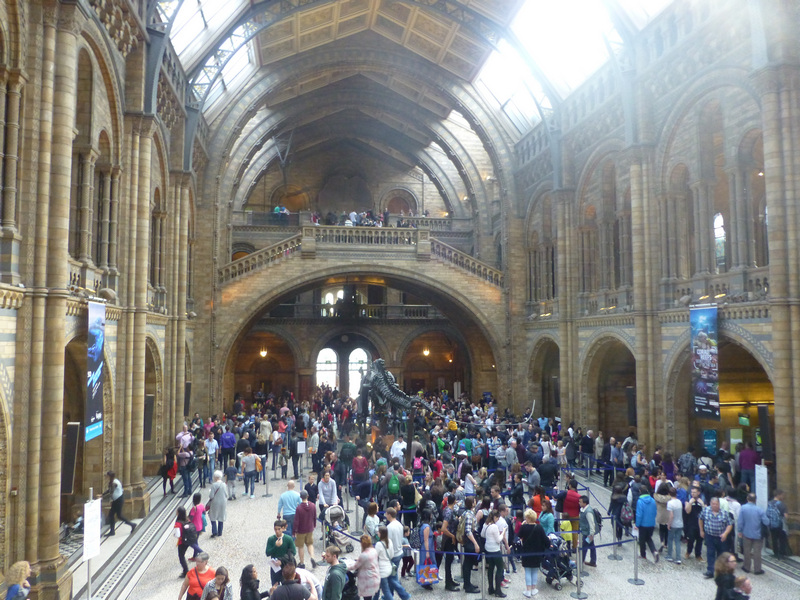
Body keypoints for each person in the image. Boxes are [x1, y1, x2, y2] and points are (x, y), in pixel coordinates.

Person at [700, 497, 734, 578]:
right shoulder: (705, 511)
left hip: (721, 537)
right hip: (709, 536)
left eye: (716, 504)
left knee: (721, 555)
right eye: (713, 504)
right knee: (710, 553)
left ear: (719, 504)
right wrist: (701, 530)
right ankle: (710, 571)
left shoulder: (724, 513)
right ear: (710, 504)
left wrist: (725, 534)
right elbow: (700, 519)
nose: (714, 505)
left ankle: (720, 572)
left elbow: (730, 524)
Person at [518, 509, 548, 598]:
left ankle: (528, 590)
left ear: (528, 518)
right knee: (535, 570)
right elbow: (545, 540)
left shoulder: (524, 527)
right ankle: (533, 589)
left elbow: (518, 536)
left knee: (527, 571)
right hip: (537, 553)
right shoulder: (539, 527)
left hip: (526, 552)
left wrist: (522, 525)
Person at [738, 492, 768, 574]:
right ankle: (757, 569)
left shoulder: (743, 508)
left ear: (747, 499)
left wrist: (740, 531)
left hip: (746, 533)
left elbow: (740, 521)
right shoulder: (760, 510)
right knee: (757, 552)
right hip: (757, 534)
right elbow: (766, 522)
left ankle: (746, 567)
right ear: (755, 500)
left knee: (747, 551)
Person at [481, 510, 506, 598]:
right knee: (499, 568)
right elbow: (498, 540)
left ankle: (490, 588)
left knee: (491, 568)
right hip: (495, 550)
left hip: (488, 549)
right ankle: (498, 590)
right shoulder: (494, 526)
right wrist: (503, 532)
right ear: (495, 517)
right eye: (497, 518)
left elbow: (482, 535)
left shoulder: (486, 524)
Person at [103, 471, 136, 536]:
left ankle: (132, 524)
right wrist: (102, 494)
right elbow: (109, 490)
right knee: (111, 515)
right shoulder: (114, 481)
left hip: (118, 500)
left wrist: (102, 497)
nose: (106, 477)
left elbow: (111, 493)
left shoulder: (114, 483)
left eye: (107, 476)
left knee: (118, 515)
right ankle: (112, 531)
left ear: (109, 476)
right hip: (117, 500)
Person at [349, 535, 381, 600]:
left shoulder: (364, 555)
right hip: (374, 578)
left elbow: (355, 566)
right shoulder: (374, 550)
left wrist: (345, 567)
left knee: (367, 598)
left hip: (367, 582)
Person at [266, 520, 297, 585]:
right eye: (275, 529)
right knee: (275, 585)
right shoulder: (271, 539)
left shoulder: (288, 539)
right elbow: (267, 553)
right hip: (275, 567)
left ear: (282, 528)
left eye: (279, 529)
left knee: (286, 584)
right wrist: (275, 546)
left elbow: (293, 552)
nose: (277, 531)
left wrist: (281, 561)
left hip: (285, 566)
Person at [175, 506, 203, 577]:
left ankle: (185, 571)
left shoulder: (178, 523)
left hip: (182, 542)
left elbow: (178, 535)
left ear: (178, 513)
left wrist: (175, 535)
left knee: (181, 556)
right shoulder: (187, 519)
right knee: (183, 554)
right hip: (188, 540)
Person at [439, 494, 460, 591]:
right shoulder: (449, 512)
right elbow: (444, 528)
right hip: (448, 539)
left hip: (449, 537)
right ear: (454, 501)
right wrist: (452, 536)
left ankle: (450, 580)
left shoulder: (447, 510)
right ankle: (448, 584)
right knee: (448, 561)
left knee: (450, 560)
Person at [294, 490, 318, 569]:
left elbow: (296, 521)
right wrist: (314, 525)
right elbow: (314, 516)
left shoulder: (299, 508)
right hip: (310, 528)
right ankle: (312, 557)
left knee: (300, 546)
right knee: (310, 544)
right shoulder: (313, 506)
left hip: (301, 530)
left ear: (300, 497)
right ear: (307, 496)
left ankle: (302, 562)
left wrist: (294, 531)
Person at [635, 484, 659, 562]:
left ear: (640, 491)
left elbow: (639, 514)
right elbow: (655, 512)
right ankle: (654, 551)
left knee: (642, 540)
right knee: (648, 538)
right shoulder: (652, 500)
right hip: (651, 523)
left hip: (643, 524)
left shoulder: (640, 501)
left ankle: (643, 555)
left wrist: (637, 524)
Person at [418, 510, 435, 590]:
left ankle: (425, 580)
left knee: (425, 564)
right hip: (427, 547)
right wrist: (427, 552)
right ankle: (426, 582)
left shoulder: (422, 525)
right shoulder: (427, 527)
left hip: (425, 547)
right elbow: (426, 540)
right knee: (427, 564)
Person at [665, 486, 683, 563]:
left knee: (670, 539)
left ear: (669, 494)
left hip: (673, 524)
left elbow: (671, 515)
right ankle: (678, 558)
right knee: (677, 541)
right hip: (680, 523)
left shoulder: (670, 503)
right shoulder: (679, 502)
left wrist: (669, 524)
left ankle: (669, 555)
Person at [208, 470, 228, 538]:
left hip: (215, 502)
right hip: (223, 502)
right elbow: (226, 494)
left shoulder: (214, 485)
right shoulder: (224, 484)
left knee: (213, 516)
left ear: (215, 477)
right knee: (221, 516)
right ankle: (220, 532)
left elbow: (211, 496)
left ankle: (214, 531)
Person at [578, 495, 597, 567]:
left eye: (580, 502)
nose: (579, 503)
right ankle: (593, 561)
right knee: (591, 546)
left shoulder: (588, 512)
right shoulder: (583, 510)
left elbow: (591, 523)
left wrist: (591, 534)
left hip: (588, 534)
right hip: (586, 532)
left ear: (585, 503)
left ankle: (580, 561)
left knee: (584, 547)